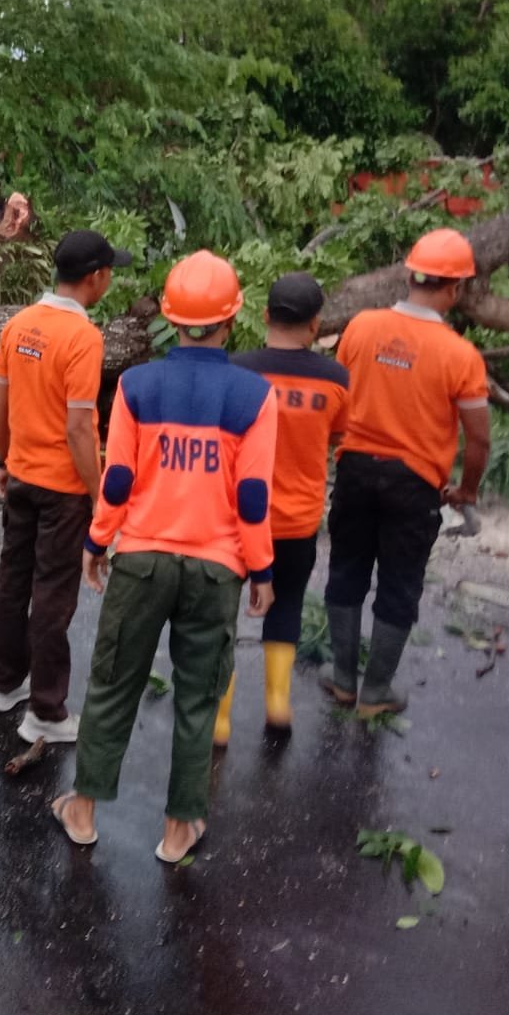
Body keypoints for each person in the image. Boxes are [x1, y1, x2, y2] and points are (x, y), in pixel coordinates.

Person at [53, 252, 276, 861]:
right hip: (217, 570)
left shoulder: (135, 386)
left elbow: (118, 479)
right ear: (233, 319)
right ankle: (179, 830)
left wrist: (97, 543)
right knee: (198, 698)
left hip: (142, 561)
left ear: (169, 319)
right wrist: (262, 569)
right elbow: (253, 497)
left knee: (112, 686)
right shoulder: (255, 396)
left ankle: (84, 808)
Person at [321, 229, 490, 718]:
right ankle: (376, 693)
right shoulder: (461, 354)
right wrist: (467, 490)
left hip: (354, 470)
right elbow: (478, 438)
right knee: (399, 583)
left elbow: (340, 399)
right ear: (454, 290)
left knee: (347, 570)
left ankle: (343, 679)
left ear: (409, 275)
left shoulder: (360, 328)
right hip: (415, 484)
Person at [0, 229, 132, 744]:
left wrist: (4, 459)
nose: (111, 276)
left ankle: (4, 684)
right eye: (110, 269)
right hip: (62, 488)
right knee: (52, 593)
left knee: (13, 580)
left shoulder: (20, 323)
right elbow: (78, 427)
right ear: (95, 277)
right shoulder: (83, 338)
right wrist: (98, 496)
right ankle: (46, 711)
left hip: (23, 475)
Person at [218, 272, 348, 738]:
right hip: (298, 520)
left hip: (236, 516)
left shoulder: (235, 372)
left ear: (266, 315)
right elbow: (339, 435)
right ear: (316, 325)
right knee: (287, 603)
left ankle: (219, 717)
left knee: (223, 610)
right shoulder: (336, 381)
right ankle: (277, 703)